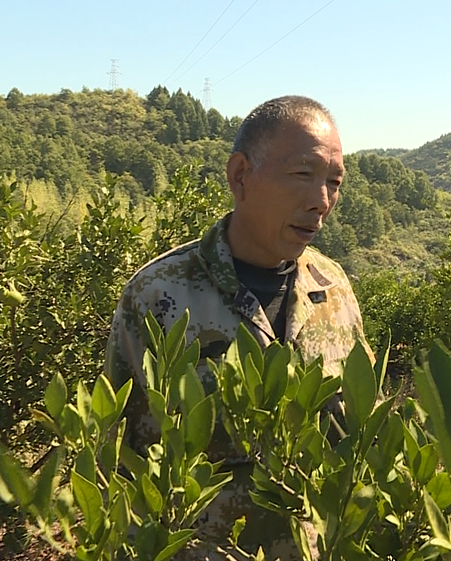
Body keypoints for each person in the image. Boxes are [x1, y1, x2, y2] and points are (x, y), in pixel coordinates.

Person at [105, 95, 373, 560]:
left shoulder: (334, 289)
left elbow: (359, 430)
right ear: (240, 175)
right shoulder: (157, 294)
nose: (321, 201)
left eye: (333, 182)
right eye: (302, 175)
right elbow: (113, 455)